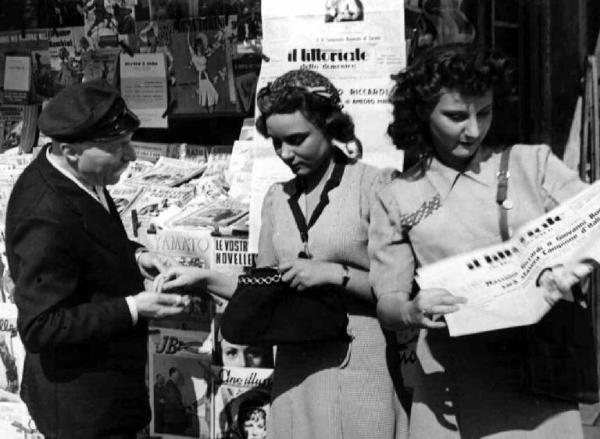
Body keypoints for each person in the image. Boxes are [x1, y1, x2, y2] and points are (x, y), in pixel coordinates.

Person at [159, 69, 408, 439]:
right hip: (297, 378)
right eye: (276, 143)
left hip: (361, 372)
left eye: (296, 140)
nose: (285, 154)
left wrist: (334, 274)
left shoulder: (374, 186)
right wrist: (205, 278)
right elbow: (266, 292)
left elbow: (404, 293)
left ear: (330, 127)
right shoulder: (277, 199)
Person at [369, 42, 592, 438]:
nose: (473, 130)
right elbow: (387, 299)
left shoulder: (532, 163)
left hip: (537, 368)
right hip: (452, 377)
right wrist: (410, 312)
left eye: (484, 112)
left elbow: (593, 228)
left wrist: (572, 269)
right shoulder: (398, 195)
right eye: (456, 116)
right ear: (422, 112)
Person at [5, 80, 189, 439]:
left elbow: (88, 243)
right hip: (83, 410)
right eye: (118, 147)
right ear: (70, 150)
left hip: (109, 394)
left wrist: (137, 256)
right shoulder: (43, 213)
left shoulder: (80, 175)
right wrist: (134, 307)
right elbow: (41, 326)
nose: (131, 156)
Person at [188, 29, 219, 112]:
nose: (199, 47)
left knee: (211, 98)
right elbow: (189, 45)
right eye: (198, 45)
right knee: (204, 101)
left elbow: (212, 50)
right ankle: (208, 114)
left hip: (205, 77)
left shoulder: (204, 55)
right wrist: (188, 32)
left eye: (200, 45)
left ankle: (211, 114)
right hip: (201, 78)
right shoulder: (194, 56)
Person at [163, 367, 187, 434]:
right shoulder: (170, 386)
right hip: (174, 419)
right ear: (172, 374)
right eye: (177, 372)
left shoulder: (172, 385)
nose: (179, 374)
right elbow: (175, 402)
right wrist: (185, 409)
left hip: (174, 419)